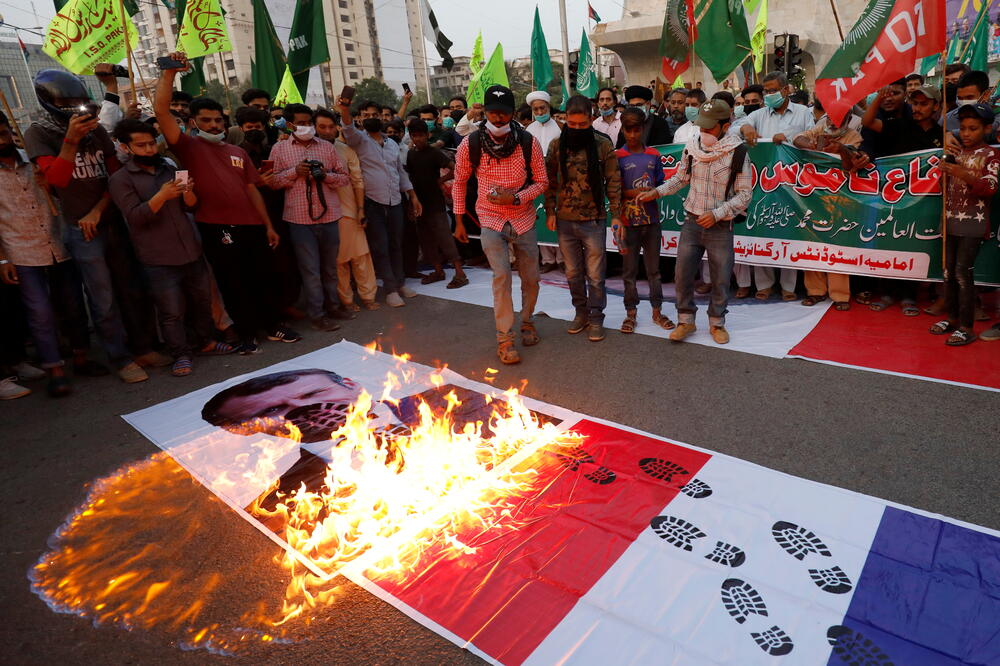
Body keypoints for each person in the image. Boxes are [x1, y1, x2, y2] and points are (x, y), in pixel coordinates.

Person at [153, 52, 300, 353]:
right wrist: (169, 74)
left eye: (218, 120)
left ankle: (272, 325)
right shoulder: (188, 147)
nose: (214, 125)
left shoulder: (238, 152)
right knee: (234, 282)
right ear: (193, 123)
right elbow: (162, 113)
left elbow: (253, 189)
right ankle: (246, 333)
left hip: (254, 227)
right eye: (206, 120)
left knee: (263, 276)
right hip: (216, 228)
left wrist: (269, 226)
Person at [24, 69, 154, 383]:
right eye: (69, 102)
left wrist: (98, 210)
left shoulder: (96, 130)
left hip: (109, 219)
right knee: (102, 297)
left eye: (81, 101)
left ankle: (143, 348)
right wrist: (71, 141)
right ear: (50, 101)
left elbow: (115, 178)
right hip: (79, 230)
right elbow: (56, 180)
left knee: (130, 288)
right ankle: (120, 358)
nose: (77, 107)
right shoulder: (38, 133)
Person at [109, 119, 237, 376]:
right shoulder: (120, 180)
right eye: (141, 145)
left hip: (190, 248)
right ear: (126, 147)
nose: (149, 150)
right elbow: (135, 218)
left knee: (201, 301)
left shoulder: (168, 168)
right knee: (171, 311)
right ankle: (180, 353)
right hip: (158, 257)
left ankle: (206, 342)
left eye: (151, 143)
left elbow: (191, 206)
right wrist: (161, 196)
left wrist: (188, 193)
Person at [638, 99, 752, 345]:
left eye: (710, 128)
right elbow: (680, 179)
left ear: (725, 125)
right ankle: (686, 321)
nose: (704, 132)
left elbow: (744, 195)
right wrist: (656, 192)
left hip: (720, 226)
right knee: (682, 274)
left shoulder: (739, 152)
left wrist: (718, 213)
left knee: (721, 278)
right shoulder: (692, 147)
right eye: (702, 126)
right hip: (691, 221)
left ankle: (717, 323)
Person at [451, 84, 548, 364]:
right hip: (490, 219)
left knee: (531, 278)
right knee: (501, 277)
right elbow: (459, 182)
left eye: (503, 114)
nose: (497, 119)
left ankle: (527, 321)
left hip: (524, 218)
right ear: (484, 112)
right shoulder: (471, 143)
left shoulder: (528, 141)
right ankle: (505, 339)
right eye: (492, 113)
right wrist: (458, 220)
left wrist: (516, 198)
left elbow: (542, 181)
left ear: (513, 113)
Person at [0, 110, 89, 396]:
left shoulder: (35, 163)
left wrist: (47, 183)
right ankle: (55, 369)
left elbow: (62, 189)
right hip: (21, 252)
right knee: (40, 313)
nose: (1, 140)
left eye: (3, 132)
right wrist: (3, 258)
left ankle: (82, 358)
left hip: (58, 243)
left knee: (73, 305)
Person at [545, 95, 623, 342]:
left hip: (594, 219)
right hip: (565, 220)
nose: (577, 128)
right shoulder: (557, 145)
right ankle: (581, 312)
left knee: (596, 274)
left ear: (591, 120)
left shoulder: (602, 144)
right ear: (565, 120)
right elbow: (550, 182)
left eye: (582, 124)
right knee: (572, 273)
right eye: (572, 124)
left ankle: (596, 316)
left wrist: (617, 215)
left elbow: (613, 181)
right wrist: (549, 212)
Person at [268, 104, 351, 332]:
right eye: (301, 123)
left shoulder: (327, 147)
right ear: (290, 124)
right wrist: (295, 172)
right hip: (299, 219)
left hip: (329, 215)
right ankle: (317, 314)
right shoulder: (279, 149)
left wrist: (325, 176)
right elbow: (271, 182)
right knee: (310, 270)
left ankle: (333, 306)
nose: (306, 127)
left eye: (309, 123)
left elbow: (344, 178)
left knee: (330, 268)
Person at [337, 98, 421, 308]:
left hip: (395, 201)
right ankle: (390, 289)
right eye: (366, 115)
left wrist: (412, 196)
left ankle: (400, 284)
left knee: (396, 244)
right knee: (381, 247)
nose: (371, 118)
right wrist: (345, 108)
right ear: (360, 119)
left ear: (381, 117)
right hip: (372, 203)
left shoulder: (392, 143)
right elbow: (347, 128)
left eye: (375, 114)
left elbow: (399, 172)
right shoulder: (358, 141)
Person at [927, 102, 998, 346]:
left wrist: (960, 172)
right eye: (963, 128)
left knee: (962, 274)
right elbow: (943, 189)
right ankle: (953, 320)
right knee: (948, 274)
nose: (966, 133)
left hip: (973, 225)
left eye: (973, 128)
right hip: (948, 221)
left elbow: (989, 188)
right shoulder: (955, 152)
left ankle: (967, 327)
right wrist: (944, 171)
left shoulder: (991, 154)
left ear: (987, 129)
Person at [740, 71, 814, 301]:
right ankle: (764, 285)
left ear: (786, 90)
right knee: (761, 227)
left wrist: (790, 137)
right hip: (762, 181)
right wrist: (745, 129)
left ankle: (788, 287)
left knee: (788, 230)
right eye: (766, 91)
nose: (769, 95)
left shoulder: (803, 113)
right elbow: (738, 127)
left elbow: (811, 139)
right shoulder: (759, 114)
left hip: (791, 182)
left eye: (773, 90)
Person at [791, 111, 868, 311]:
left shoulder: (854, 136)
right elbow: (797, 139)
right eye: (830, 117)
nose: (833, 121)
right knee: (811, 238)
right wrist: (814, 147)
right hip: (814, 193)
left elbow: (852, 164)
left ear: (848, 119)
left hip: (840, 195)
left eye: (838, 117)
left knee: (838, 242)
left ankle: (840, 294)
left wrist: (841, 149)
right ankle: (815, 291)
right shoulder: (820, 130)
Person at [615, 107, 674, 334]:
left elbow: (661, 185)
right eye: (628, 130)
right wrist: (631, 195)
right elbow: (613, 189)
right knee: (629, 271)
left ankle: (657, 311)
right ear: (622, 129)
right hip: (627, 224)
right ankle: (631, 313)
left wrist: (654, 191)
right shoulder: (617, 156)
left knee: (654, 270)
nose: (632, 135)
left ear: (643, 129)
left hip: (651, 222)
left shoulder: (654, 155)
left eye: (636, 130)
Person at [314, 109, 379, 311]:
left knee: (361, 255)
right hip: (323, 216)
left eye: (331, 126)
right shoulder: (309, 152)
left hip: (350, 211)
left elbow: (358, 182)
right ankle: (347, 300)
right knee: (338, 261)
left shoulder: (346, 150)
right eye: (322, 127)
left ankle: (368, 296)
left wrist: (360, 209)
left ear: (337, 127)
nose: (327, 131)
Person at [404, 118, 467, 289]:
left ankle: (460, 273)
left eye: (421, 135)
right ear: (410, 136)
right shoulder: (410, 155)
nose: (417, 139)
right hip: (419, 204)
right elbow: (408, 178)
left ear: (427, 135)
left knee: (445, 238)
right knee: (426, 241)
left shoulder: (434, 152)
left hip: (435, 203)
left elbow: (455, 168)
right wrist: (412, 202)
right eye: (414, 136)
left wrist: (441, 180)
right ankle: (438, 271)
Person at [525, 90, 565, 273]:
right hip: (536, 180)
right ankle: (548, 259)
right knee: (540, 217)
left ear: (549, 107)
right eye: (536, 109)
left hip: (557, 179)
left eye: (543, 108)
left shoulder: (561, 127)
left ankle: (563, 258)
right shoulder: (529, 130)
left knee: (558, 217)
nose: (540, 112)